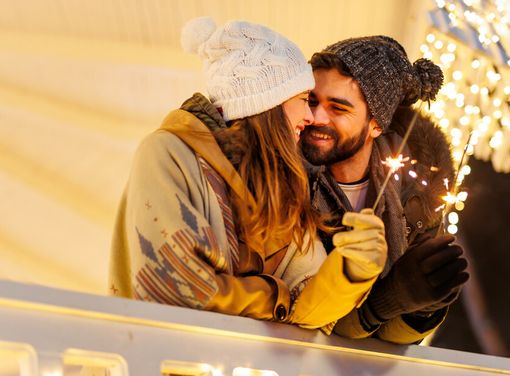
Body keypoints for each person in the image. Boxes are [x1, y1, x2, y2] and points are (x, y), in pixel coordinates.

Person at [109, 17, 387, 332]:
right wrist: (275, 296)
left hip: (237, 375)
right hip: (155, 370)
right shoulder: (169, 153)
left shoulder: (277, 187)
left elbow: (308, 306)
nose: (310, 117)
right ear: (267, 103)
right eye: (302, 100)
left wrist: (353, 270)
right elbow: (179, 289)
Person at [300, 36, 470, 344]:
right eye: (312, 101)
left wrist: (419, 312)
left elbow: (392, 345)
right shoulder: (286, 178)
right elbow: (304, 315)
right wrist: (383, 301)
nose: (316, 117)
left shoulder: (415, 195)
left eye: (338, 108)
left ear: (377, 124)